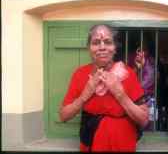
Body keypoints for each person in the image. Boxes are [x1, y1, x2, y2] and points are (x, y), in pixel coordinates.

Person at [59, 24, 149, 152]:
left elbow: (144, 120)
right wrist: (85, 94)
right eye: (96, 43)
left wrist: (120, 95)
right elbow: (64, 116)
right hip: (91, 146)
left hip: (124, 146)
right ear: (89, 48)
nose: (102, 47)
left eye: (107, 42)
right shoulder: (80, 74)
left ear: (115, 48)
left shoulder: (128, 74)